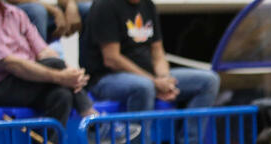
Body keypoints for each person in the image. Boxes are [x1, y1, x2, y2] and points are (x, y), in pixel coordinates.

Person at [0, 0, 132, 144]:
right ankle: (93, 119)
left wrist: (70, 74)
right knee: (56, 68)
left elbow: (44, 51)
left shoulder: (15, 13)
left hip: (24, 80)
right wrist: (61, 76)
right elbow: (11, 64)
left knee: (61, 95)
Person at [79, 0, 220, 116]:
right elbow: (112, 59)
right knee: (144, 87)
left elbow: (158, 52)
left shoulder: (148, 5)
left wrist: (164, 79)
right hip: (106, 78)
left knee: (209, 80)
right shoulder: (106, 5)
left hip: (149, 76)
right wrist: (153, 82)